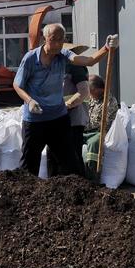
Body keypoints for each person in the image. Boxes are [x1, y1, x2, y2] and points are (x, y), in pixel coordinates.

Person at [13, 23, 118, 177]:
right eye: (53, 39)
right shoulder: (30, 59)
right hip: (34, 120)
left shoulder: (64, 55)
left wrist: (107, 48)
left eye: (61, 40)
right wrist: (30, 101)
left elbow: (89, 61)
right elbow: (17, 85)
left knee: (70, 163)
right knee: (29, 164)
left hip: (58, 119)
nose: (57, 44)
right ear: (44, 39)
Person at [48, 45, 90, 176]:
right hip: (57, 117)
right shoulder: (56, 68)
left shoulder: (75, 67)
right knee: (54, 154)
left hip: (73, 118)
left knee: (73, 153)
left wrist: (66, 105)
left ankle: (79, 183)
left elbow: (83, 92)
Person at [83, 74, 120, 179]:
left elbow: (104, 124)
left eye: (90, 90)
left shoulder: (110, 101)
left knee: (95, 142)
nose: (89, 93)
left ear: (97, 89)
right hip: (85, 130)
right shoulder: (91, 98)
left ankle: (92, 175)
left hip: (99, 132)